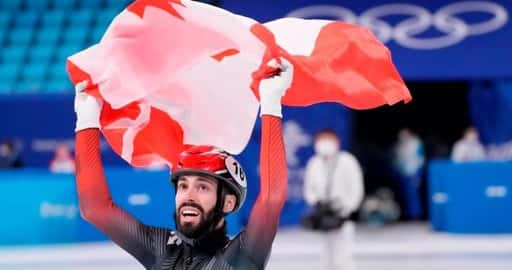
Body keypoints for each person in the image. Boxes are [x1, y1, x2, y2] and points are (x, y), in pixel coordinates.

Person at [74, 59, 292, 269]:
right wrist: (87, 119)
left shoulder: (239, 258)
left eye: (203, 187)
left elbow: (272, 198)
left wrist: (271, 104)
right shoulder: (162, 249)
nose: (189, 195)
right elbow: (95, 209)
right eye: (183, 185)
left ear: (227, 203)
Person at [303, 129, 364, 270]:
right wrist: (317, 203)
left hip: (343, 216)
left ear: (336, 141)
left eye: (328, 139)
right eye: (321, 139)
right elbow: (308, 190)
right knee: (325, 258)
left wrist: (345, 208)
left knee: (343, 257)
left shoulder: (348, 161)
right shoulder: (314, 163)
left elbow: (356, 189)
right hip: (323, 216)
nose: (324, 143)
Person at [392, 128, 425, 220]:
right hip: (402, 173)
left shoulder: (416, 143)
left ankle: (416, 215)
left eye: (404, 134)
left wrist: (419, 173)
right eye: (401, 135)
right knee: (404, 195)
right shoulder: (399, 145)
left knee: (413, 195)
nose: (402, 137)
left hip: (413, 172)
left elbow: (421, 159)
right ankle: (406, 214)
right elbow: (396, 159)